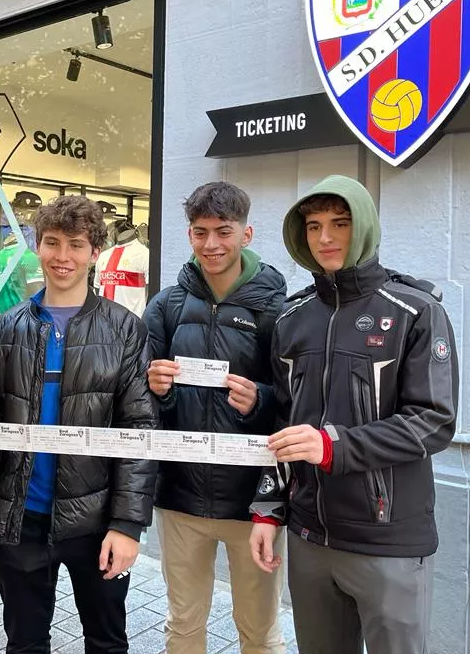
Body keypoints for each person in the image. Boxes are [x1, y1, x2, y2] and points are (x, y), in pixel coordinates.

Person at [249, 175, 459, 654]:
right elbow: (282, 422)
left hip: (388, 541)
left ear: (363, 226)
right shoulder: (290, 317)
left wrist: (334, 446)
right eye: (314, 225)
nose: (324, 238)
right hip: (308, 538)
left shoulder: (415, 311)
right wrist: (268, 508)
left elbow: (435, 421)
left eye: (339, 223)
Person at [0, 195, 158, 654]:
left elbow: (138, 427)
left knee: (106, 642)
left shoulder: (125, 329)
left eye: (76, 244)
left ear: (93, 252)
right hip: (20, 517)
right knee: (25, 643)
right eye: (52, 242)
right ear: (37, 247)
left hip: (97, 520)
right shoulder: (7, 327)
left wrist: (128, 525)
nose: (62, 256)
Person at [143, 182, 287, 654]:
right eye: (200, 233)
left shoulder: (278, 309)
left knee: (259, 630)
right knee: (183, 625)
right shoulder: (165, 306)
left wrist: (261, 399)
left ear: (246, 233)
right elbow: (139, 403)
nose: (211, 245)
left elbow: (296, 399)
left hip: (251, 503)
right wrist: (156, 388)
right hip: (179, 495)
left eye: (223, 232)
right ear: (189, 235)